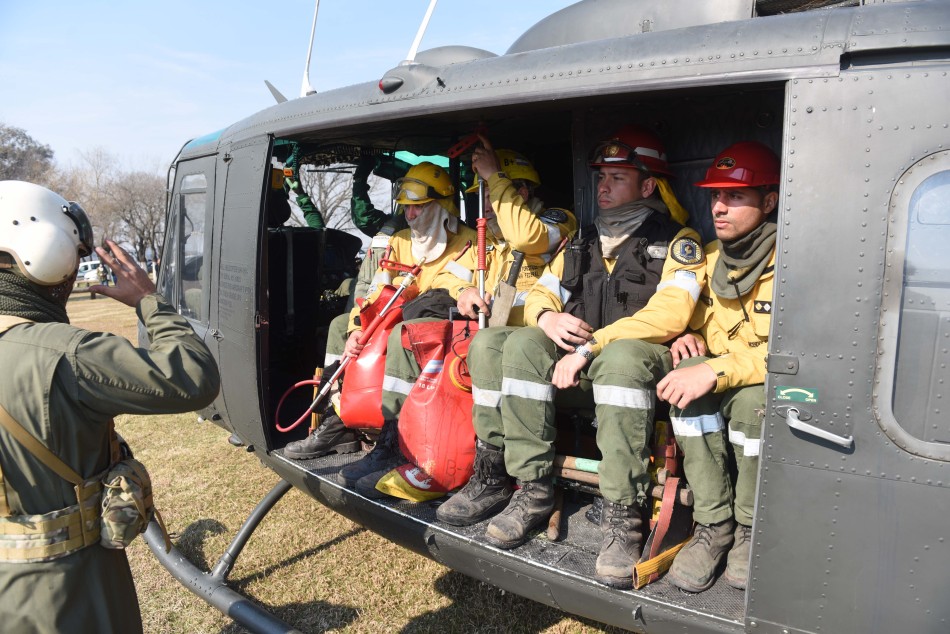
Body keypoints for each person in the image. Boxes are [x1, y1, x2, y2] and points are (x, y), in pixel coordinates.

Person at [436, 127, 703, 588]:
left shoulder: (679, 242)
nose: (602, 186)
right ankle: (526, 485)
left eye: (617, 178)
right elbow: (543, 291)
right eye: (600, 176)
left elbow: (671, 312)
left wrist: (588, 347)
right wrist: (545, 319)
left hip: (633, 371)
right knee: (502, 342)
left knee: (621, 359)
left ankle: (624, 515)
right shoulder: (582, 239)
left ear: (647, 187)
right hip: (577, 371)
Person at [0, 180, 220, 632]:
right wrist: (149, 303)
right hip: (68, 589)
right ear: (44, 252)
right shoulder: (66, 353)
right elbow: (193, 377)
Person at [352, 139, 577, 496]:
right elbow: (449, 276)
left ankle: (478, 471)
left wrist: (493, 175)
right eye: (485, 194)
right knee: (428, 338)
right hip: (492, 337)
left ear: (518, 190)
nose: (485, 203)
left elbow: (527, 236)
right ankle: (412, 450)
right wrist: (465, 292)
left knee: (481, 349)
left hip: (536, 340)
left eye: (489, 193)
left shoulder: (557, 219)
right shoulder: (488, 240)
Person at [284, 162, 477, 461]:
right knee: (338, 326)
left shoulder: (469, 242)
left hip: (435, 328)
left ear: (442, 204)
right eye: (406, 208)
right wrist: (356, 329)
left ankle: (395, 433)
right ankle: (339, 420)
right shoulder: (399, 241)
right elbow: (375, 290)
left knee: (403, 331)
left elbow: (451, 293)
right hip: (398, 315)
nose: (410, 215)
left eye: (419, 207)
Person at [661, 141, 779, 593]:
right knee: (684, 397)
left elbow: (798, 352)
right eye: (714, 196)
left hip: (762, 385)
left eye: (735, 197)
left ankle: (751, 529)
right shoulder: (707, 258)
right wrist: (680, 335)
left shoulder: (796, 261)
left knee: (753, 403)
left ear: (769, 202)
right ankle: (715, 526)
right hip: (723, 374)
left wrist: (717, 369)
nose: (719, 207)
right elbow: (677, 310)